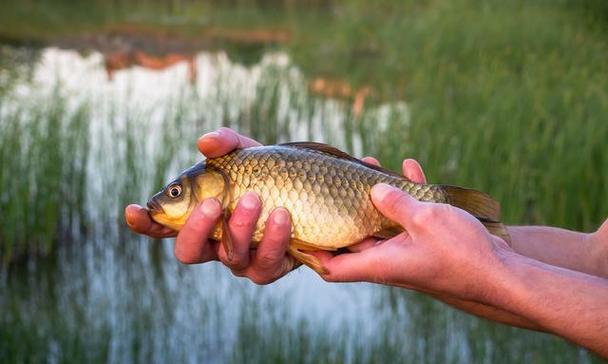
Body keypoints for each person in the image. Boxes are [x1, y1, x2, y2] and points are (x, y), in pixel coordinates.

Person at [125, 127, 608, 357]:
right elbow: (596, 259)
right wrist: (477, 257)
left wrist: (498, 271)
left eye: (176, 193)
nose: (168, 200)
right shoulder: (233, 179)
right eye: (173, 193)